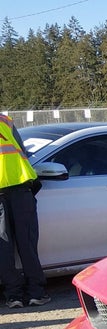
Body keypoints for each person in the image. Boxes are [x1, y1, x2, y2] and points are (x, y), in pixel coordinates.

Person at [0, 113, 49, 309]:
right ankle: (36, 293)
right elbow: (22, 151)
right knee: (27, 244)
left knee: (3, 248)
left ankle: (13, 296)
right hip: (20, 188)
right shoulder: (4, 121)